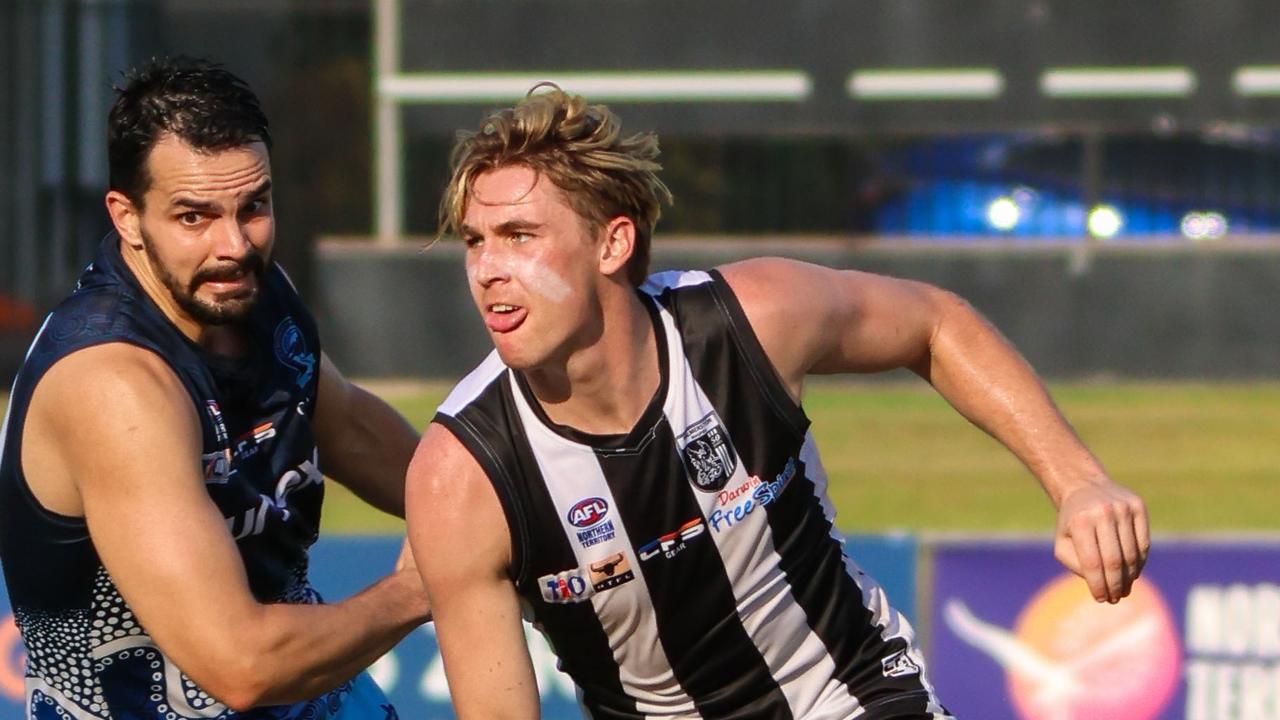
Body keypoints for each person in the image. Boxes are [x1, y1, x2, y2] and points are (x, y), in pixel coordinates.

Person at [404, 87, 1151, 720]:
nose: (488, 270)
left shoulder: (748, 323)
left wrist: (1077, 479)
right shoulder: (461, 475)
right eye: (475, 242)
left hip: (855, 696)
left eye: (519, 235)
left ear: (613, 244)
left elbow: (936, 323)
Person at [0, 57, 429, 719]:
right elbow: (242, 665)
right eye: (193, 217)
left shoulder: (247, 290)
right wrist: (423, 589)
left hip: (313, 696)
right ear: (126, 217)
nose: (233, 245)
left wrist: (505, 506)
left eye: (253, 207)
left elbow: (351, 428)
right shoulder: (112, 383)